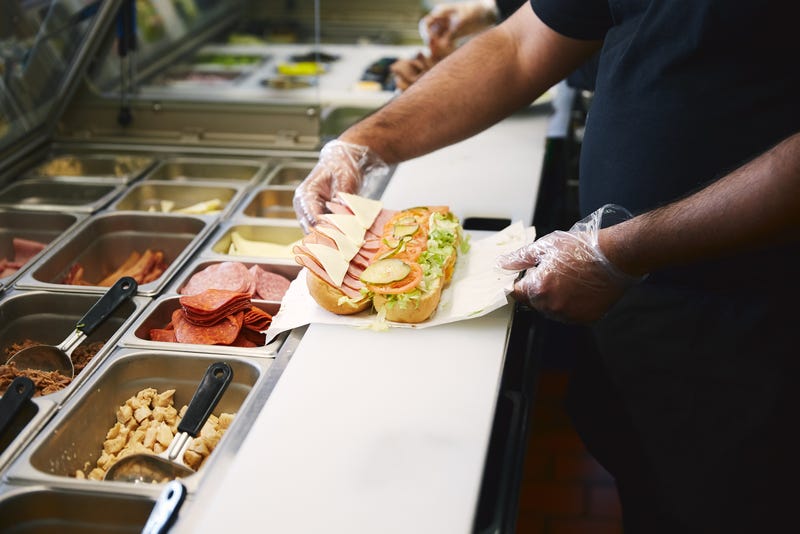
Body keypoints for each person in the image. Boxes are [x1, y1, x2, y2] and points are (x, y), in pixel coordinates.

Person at [294, 2, 800, 532]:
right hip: (638, 308)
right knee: (653, 489)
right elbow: (519, 47)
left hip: (759, 318)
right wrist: (363, 144)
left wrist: (624, 249)